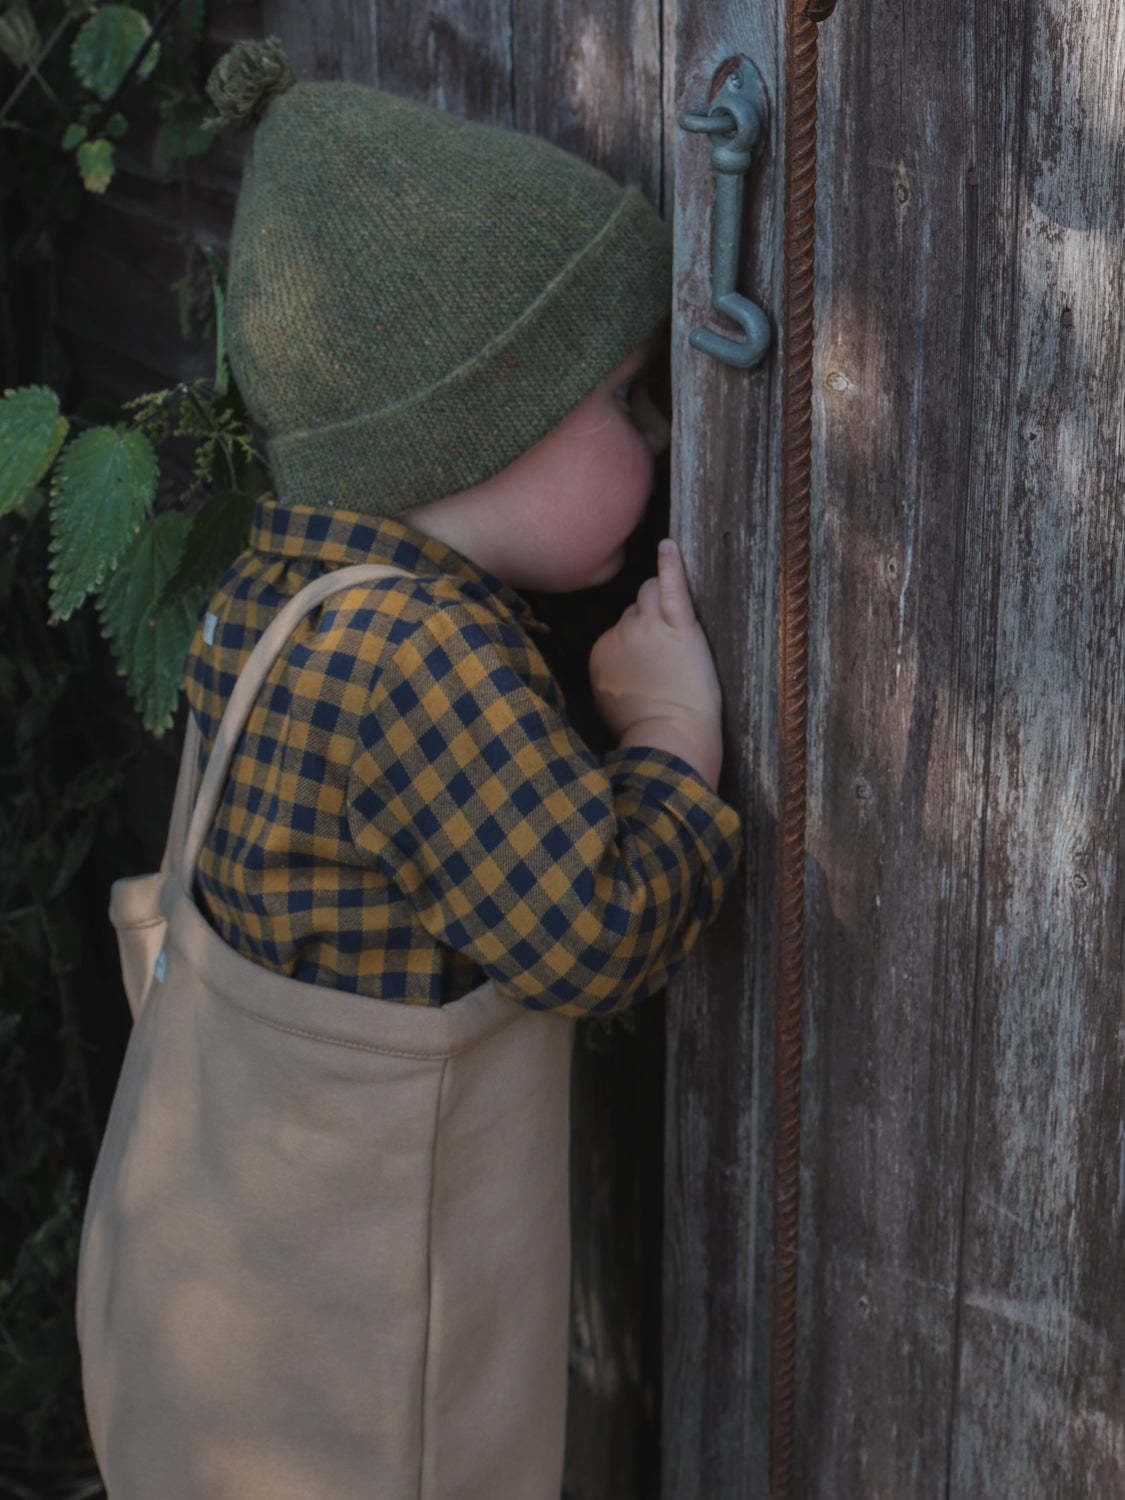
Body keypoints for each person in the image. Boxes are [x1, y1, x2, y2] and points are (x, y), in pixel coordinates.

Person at [77, 38, 742, 1500]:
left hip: (210, 1335)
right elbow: (591, 928)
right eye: (623, 401)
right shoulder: (422, 660)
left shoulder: (286, 592)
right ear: (480, 419)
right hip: (355, 1409)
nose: (656, 436)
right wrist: (665, 743)